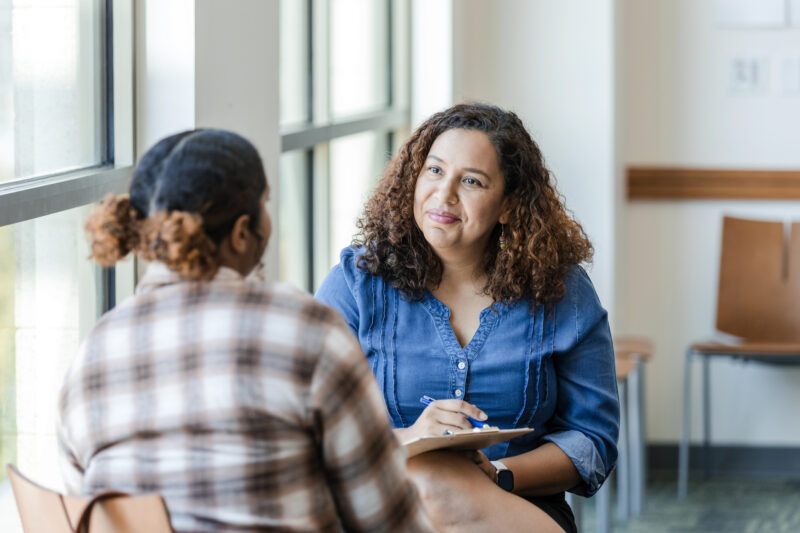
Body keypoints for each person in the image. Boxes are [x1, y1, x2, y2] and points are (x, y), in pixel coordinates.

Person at [57, 129, 436, 533]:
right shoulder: (306, 333)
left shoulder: (93, 352)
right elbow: (388, 520)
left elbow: (83, 510)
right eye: (266, 204)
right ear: (241, 233)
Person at [315, 103, 619, 533]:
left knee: (435, 486)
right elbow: (310, 430)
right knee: (426, 479)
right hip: (387, 509)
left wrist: (499, 475)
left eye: (471, 181)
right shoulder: (358, 284)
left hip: (514, 509)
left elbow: (593, 441)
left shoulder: (562, 290)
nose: (444, 195)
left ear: (509, 204)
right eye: (434, 171)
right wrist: (410, 440)